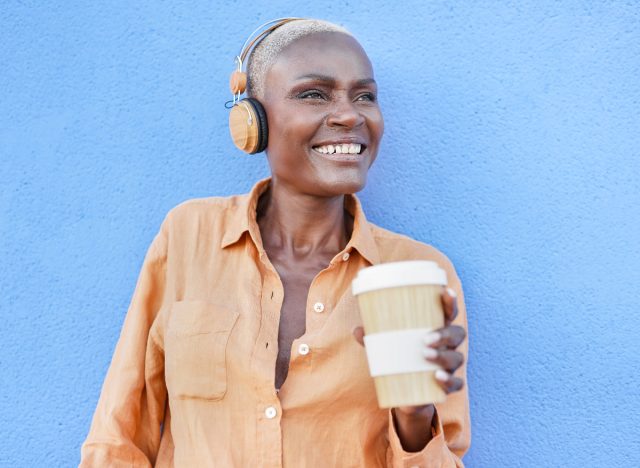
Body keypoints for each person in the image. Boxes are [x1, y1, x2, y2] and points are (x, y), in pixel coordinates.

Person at [80, 18, 470, 467]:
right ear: (252, 122)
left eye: (365, 96)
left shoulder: (417, 273)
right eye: (314, 94)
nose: (350, 114)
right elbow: (118, 439)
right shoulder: (188, 236)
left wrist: (415, 414)